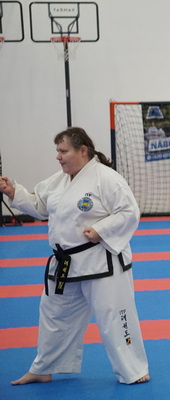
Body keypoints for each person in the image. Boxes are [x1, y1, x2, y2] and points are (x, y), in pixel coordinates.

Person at [1, 127, 149, 385]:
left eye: (63, 151)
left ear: (82, 151)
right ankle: (44, 367)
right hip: (65, 263)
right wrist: (14, 192)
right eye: (57, 151)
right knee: (54, 315)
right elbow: (40, 206)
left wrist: (101, 230)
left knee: (114, 317)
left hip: (102, 261)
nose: (58, 157)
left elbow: (129, 211)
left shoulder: (106, 178)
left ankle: (133, 370)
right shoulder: (58, 180)